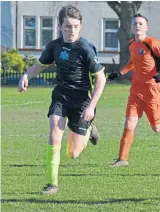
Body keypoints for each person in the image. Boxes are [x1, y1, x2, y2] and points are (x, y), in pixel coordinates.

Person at [18, 5, 107, 194]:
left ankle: (89, 128)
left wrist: (91, 107)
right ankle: (52, 184)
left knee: (73, 153)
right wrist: (26, 76)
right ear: (60, 26)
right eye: (67, 26)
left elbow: (101, 79)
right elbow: (40, 66)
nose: (71, 30)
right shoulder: (54, 46)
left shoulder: (85, 48)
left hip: (82, 100)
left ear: (80, 26)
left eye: (75, 26)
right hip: (61, 96)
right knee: (54, 134)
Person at [108, 13, 160, 167]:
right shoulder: (132, 44)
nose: (137, 26)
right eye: (135, 23)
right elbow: (132, 62)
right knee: (129, 123)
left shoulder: (153, 43)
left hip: (152, 90)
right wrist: (120, 73)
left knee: (157, 127)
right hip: (136, 91)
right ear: (132, 27)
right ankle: (122, 159)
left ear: (146, 27)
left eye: (140, 23)